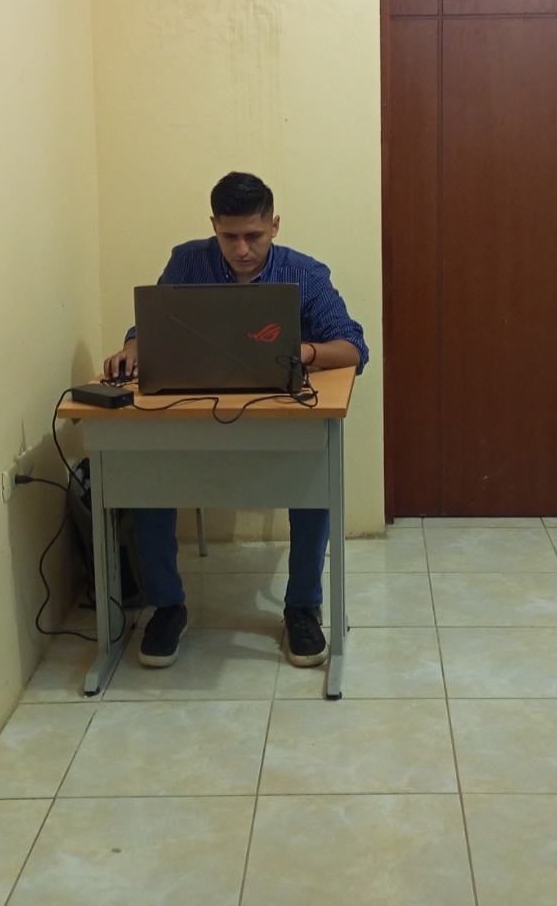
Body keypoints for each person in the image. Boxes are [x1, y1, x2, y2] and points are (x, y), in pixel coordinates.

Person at [104, 171, 368, 670]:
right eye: (230, 237)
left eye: (254, 235)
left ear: (275, 226)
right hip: (194, 416)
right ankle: (167, 606)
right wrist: (133, 346)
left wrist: (303, 352)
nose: (242, 249)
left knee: (314, 481)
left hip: (279, 421)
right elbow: (151, 325)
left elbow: (354, 348)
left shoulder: (305, 274)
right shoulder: (188, 261)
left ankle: (302, 607)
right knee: (147, 476)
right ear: (214, 226)